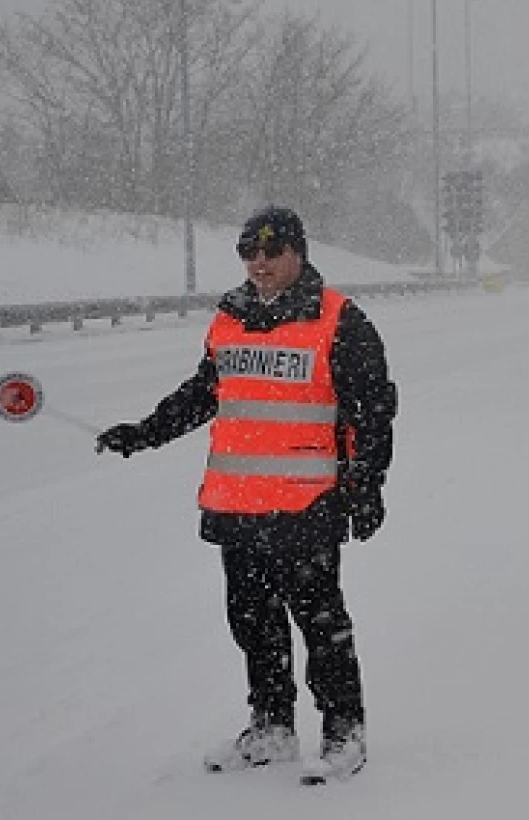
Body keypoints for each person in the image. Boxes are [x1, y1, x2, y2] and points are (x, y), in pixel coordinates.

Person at [95, 206, 397, 781]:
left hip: (307, 503)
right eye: (249, 253)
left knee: (320, 623)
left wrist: (367, 484)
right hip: (238, 504)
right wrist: (145, 432)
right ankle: (271, 727)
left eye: (271, 251)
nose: (259, 263)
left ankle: (343, 733)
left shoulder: (339, 320)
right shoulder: (229, 317)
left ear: (298, 253)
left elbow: (372, 410)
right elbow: (205, 392)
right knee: (252, 621)